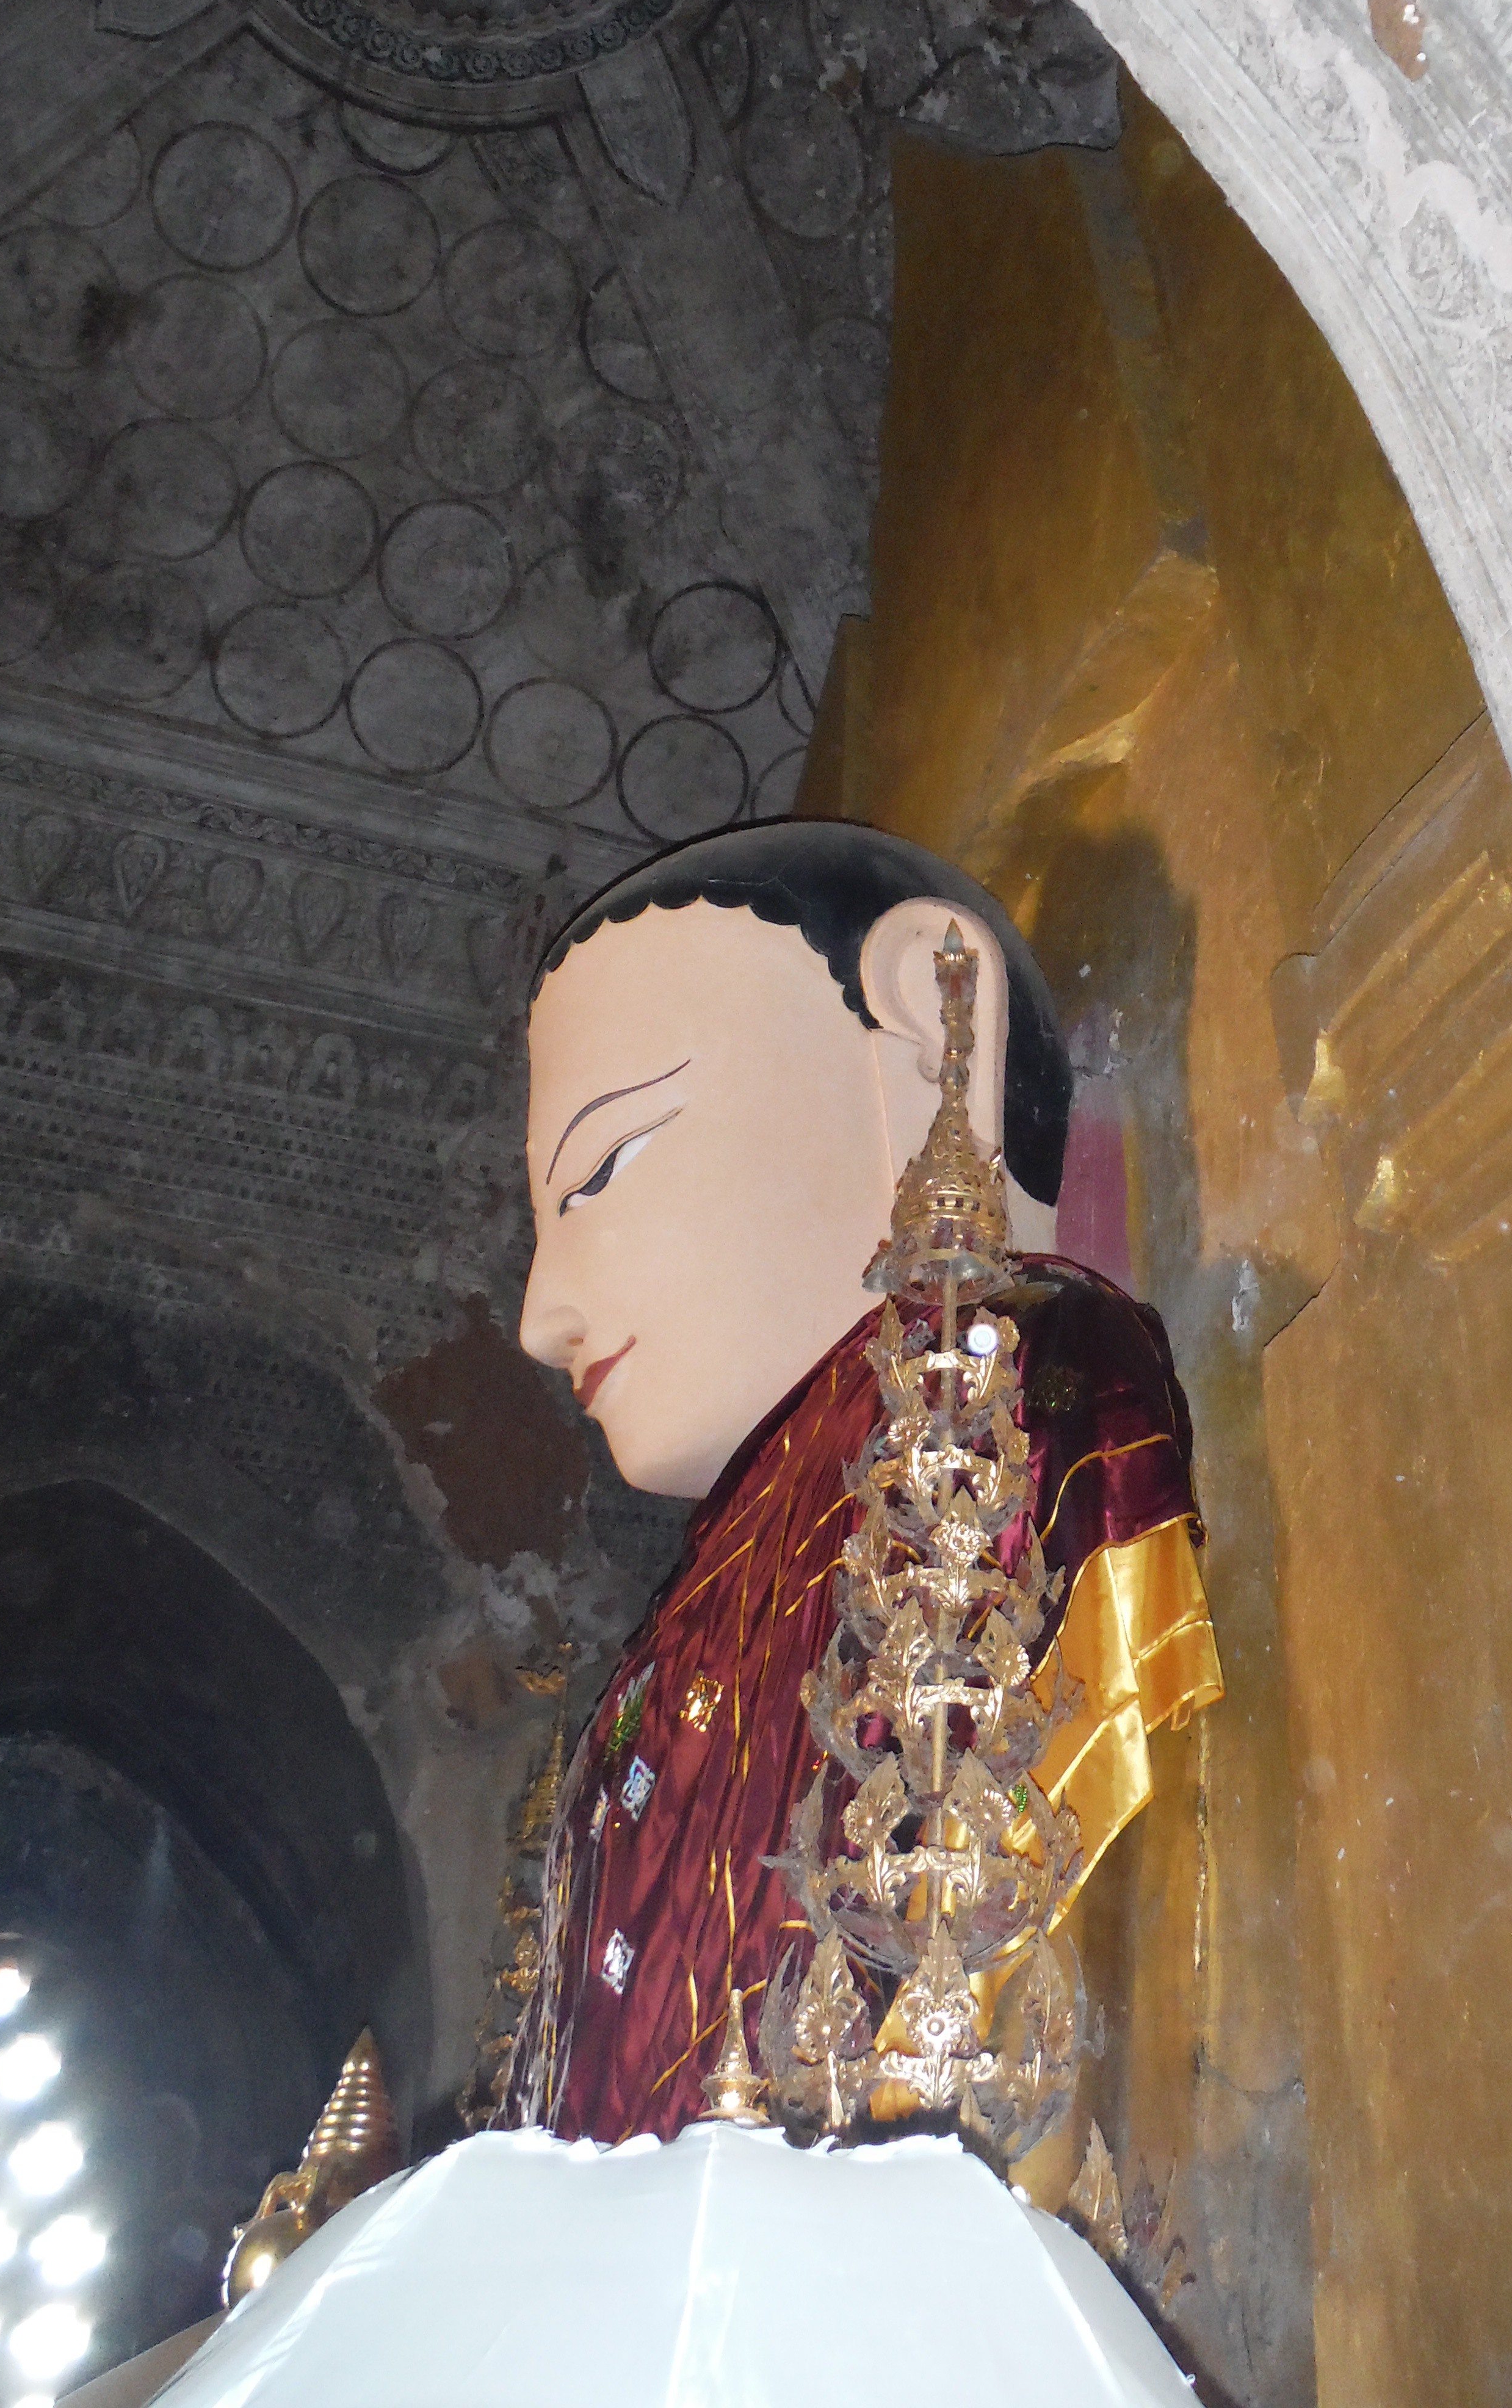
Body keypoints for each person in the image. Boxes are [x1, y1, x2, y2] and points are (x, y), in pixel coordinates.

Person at [502, 821, 1222, 2143]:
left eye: (601, 1169)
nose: (541, 1316)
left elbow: (1019, 1929)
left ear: (929, 1032)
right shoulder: (730, 1561)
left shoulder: (1011, 1378)